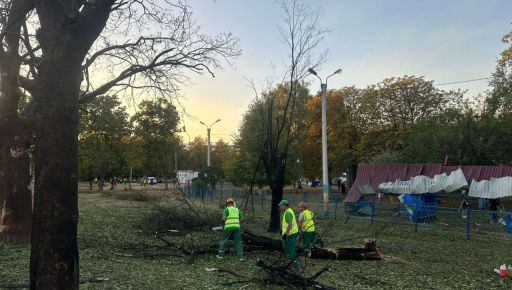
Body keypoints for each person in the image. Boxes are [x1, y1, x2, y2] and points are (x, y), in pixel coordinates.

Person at [279, 200, 298, 268]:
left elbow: (290, 223)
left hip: (291, 234)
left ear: (284, 205)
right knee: (285, 246)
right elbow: (287, 223)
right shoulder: (289, 211)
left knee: (291, 249)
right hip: (291, 233)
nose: (280, 207)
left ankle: (294, 265)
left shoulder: (287, 213)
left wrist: (285, 234)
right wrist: (282, 230)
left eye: (281, 205)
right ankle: (289, 261)